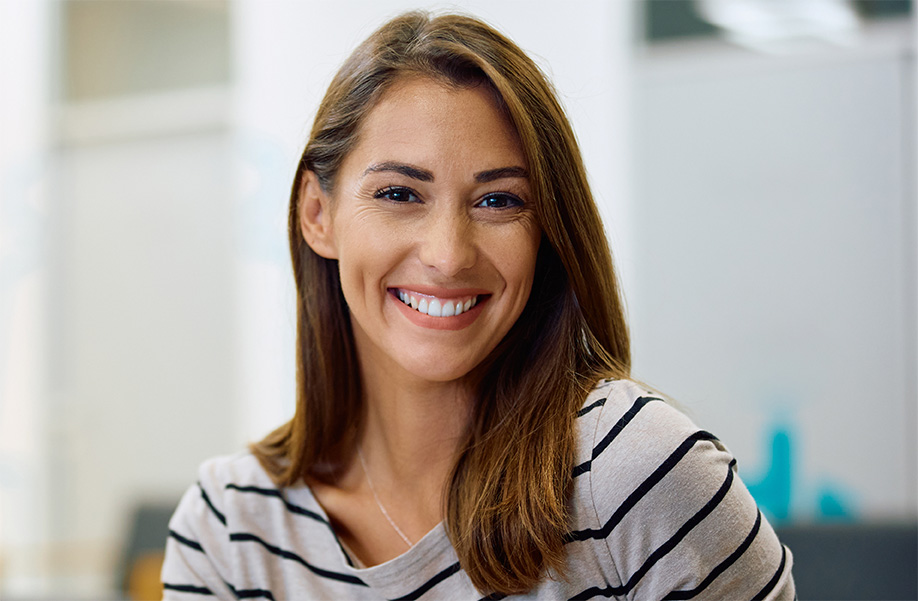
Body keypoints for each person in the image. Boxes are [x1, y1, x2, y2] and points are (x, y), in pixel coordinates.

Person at [161, 11, 795, 600]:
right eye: (399, 193)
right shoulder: (229, 528)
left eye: (499, 201)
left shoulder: (638, 472)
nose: (447, 254)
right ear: (317, 214)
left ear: (546, 230)